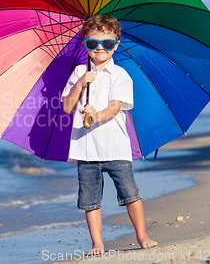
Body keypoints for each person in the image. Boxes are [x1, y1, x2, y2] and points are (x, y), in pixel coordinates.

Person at [61, 14, 157, 255]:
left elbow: (116, 108)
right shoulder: (79, 73)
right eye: (93, 44)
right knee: (90, 200)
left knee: (130, 193)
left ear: (116, 43)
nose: (100, 49)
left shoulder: (120, 75)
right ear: (85, 44)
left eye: (106, 43)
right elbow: (66, 106)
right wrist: (81, 82)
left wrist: (95, 115)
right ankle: (98, 243)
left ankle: (142, 234)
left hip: (115, 147)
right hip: (86, 148)